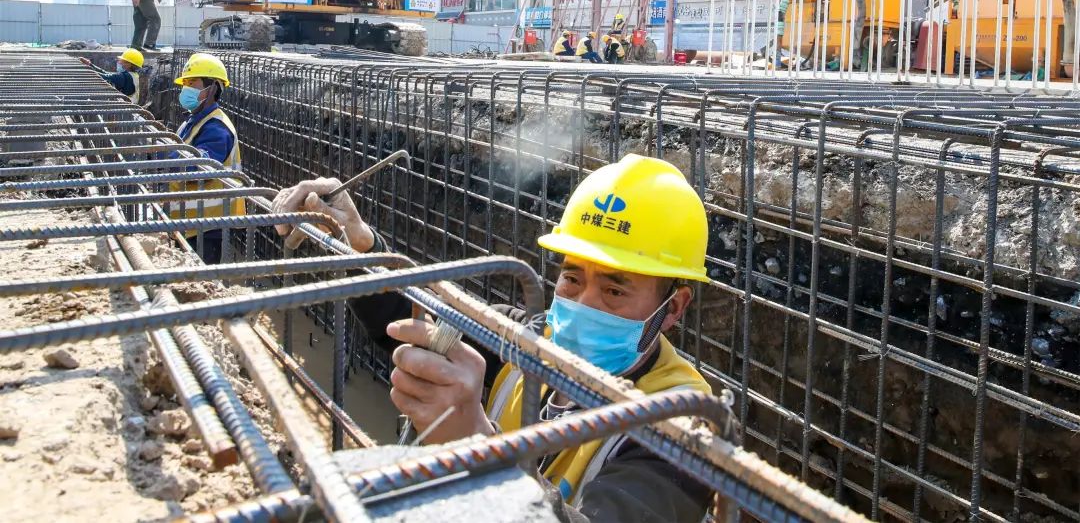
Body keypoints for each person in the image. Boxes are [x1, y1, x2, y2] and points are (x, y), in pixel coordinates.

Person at [272, 154, 728, 522]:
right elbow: (417, 318)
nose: (583, 305)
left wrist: (480, 448)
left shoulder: (685, 425)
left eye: (613, 290)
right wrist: (359, 245)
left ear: (675, 307)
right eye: (571, 280)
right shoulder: (530, 336)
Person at [169, 53, 245, 264]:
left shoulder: (216, 128)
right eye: (185, 83)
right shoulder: (192, 121)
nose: (186, 89)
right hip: (188, 222)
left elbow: (201, 168)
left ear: (212, 88)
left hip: (208, 226)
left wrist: (164, 155)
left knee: (201, 284)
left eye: (192, 83)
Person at [79, 48, 143, 103]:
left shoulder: (124, 77)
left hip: (127, 108)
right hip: (132, 105)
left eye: (123, 61)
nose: (120, 62)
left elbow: (105, 77)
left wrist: (88, 71)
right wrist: (90, 65)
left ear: (129, 64)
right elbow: (107, 74)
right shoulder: (133, 75)